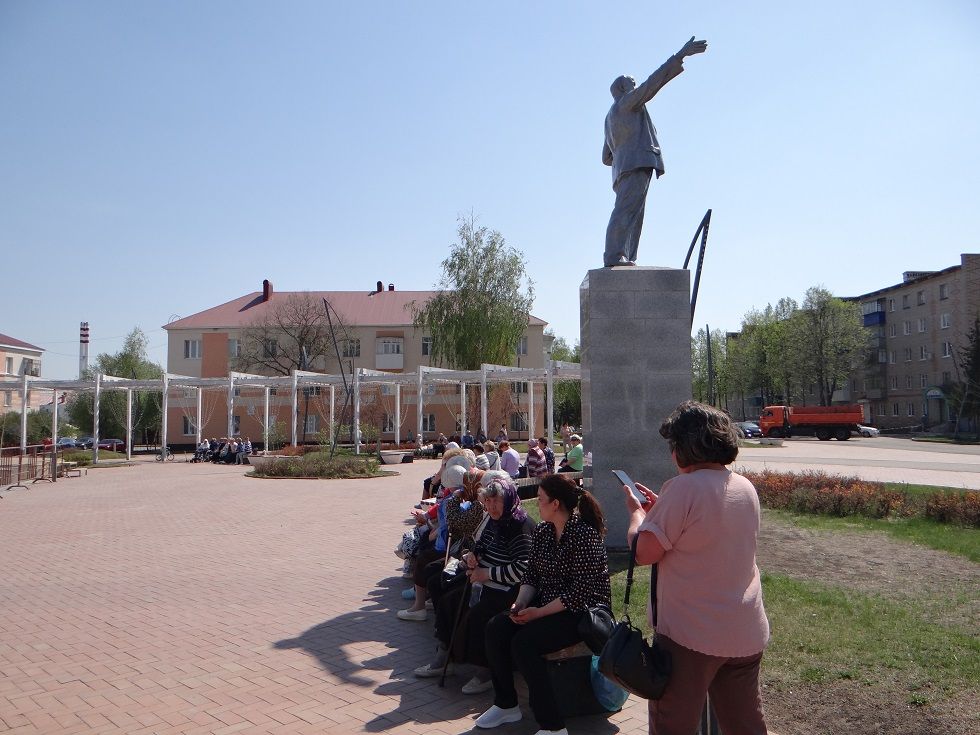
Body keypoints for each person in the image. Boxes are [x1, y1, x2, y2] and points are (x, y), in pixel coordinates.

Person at [621, 400, 769, 735]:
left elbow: (643, 552)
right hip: (745, 631)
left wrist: (637, 515)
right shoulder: (745, 487)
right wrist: (662, 513)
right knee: (744, 724)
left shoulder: (683, 489)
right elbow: (707, 532)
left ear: (682, 448)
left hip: (691, 636)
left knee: (672, 724)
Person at [477, 474, 610, 734]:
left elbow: (579, 594)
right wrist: (520, 604)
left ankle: (553, 726)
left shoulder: (584, 535)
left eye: (540, 499)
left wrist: (537, 613)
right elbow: (531, 575)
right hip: (548, 603)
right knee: (496, 627)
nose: (536, 504)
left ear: (556, 504)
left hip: (582, 612)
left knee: (524, 643)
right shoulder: (544, 531)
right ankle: (506, 705)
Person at [414, 476, 535, 695]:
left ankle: (485, 671)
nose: (491, 506)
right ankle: (445, 659)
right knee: (448, 601)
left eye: (496, 501)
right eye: (487, 502)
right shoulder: (494, 520)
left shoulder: (519, 525)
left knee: (478, 615)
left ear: (507, 500)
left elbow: (523, 570)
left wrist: (485, 573)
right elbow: (481, 546)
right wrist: (472, 556)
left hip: (510, 590)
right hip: (485, 581)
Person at [602, 37, 708, 267]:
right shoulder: (627, 103)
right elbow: (653, 83)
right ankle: (615, 255)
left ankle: (625, 255)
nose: (636, 86)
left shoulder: (610, 117)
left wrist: (624, 150)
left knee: (632, 214)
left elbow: (606, 157)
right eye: (633, 83)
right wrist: (680, 55)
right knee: (626, 211)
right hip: (636, 163)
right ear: (624, 88)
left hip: (625, 167)